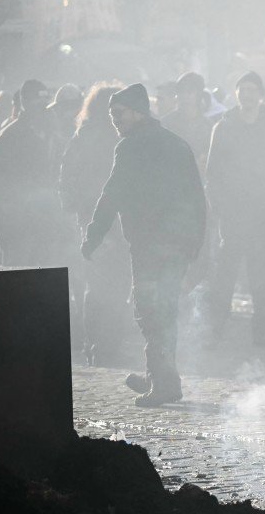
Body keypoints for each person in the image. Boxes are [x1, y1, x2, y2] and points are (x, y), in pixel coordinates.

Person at [81, 84, 206, 407]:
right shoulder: (177, 144)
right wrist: (196, 245)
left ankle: (164, 383)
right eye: (111, 115)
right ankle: (158, 375)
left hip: (152, 244)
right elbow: (198, 198)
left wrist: (93, 235)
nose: (115, 121)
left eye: (119, 114)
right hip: (177, 242)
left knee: (152, 312)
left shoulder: (131, 146)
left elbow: (112, 194)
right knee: (161, 311)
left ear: (137, 112)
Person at [203, 71, 265, 348]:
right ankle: (215, 326)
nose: (247, 95)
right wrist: (220, 207)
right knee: (225, 274)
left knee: (263, 274)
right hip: (234, 213)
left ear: (261, 94)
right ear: (236, 93)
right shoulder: (224, 126)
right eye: (243, 90)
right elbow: (213, 171)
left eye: (252, 90)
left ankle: (264, 330)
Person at [60, 82, 128, 365]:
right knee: (112, 284)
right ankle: (106, 343)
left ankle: (98, 343)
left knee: (97, 284)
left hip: (95, 220)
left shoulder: (83, 136)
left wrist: (79, 215)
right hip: (108, 221)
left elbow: (67, 180)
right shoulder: (113, 138)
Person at [0, 79, 65, 266]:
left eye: (45, 105)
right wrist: (11, 223)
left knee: (45, 277)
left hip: (46, 222)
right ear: (25, 105)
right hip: (18, 225)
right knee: (18, 277)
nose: (44, 110)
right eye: (38, 105)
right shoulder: (8, 138)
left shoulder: (52, 135)